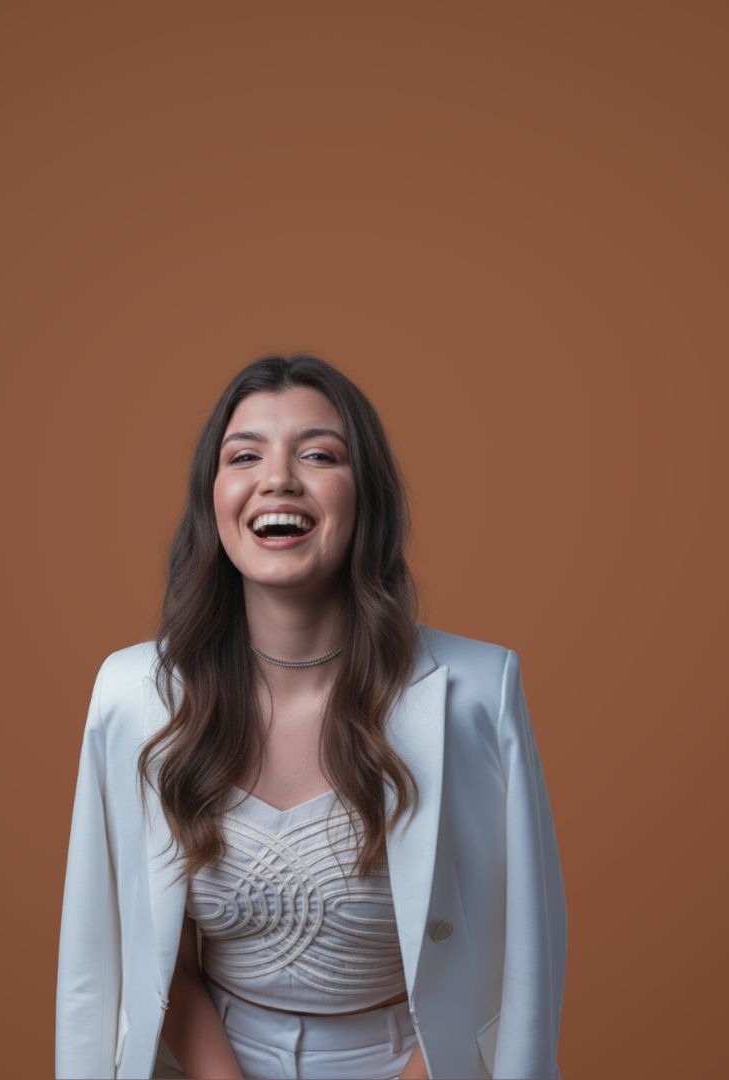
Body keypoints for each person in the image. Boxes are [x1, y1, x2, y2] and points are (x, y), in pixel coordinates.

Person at [56, 354, 567, 1079]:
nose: (278, 479)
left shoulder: (478, 691)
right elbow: (122, 947)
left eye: (319, 454)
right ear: (214, 498)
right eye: (245, 456)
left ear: (367, 499)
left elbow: (517, 953)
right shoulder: (133, 693)